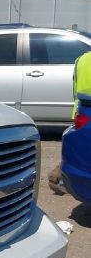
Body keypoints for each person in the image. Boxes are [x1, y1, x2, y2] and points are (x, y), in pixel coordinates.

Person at [48, 50, 91, 194]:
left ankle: (59, 178)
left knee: (81, 149)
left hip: (81, 110)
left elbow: (75, 85)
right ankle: (58, 178)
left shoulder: (81, 59)